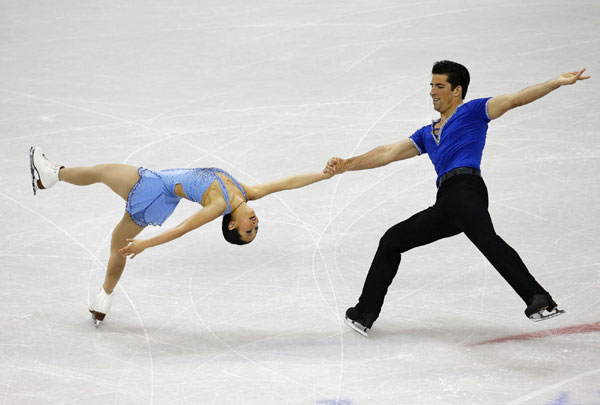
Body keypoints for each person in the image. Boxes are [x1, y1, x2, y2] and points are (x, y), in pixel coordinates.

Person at [324, 61, 590, 336]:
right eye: (431, 86)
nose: (432, 92)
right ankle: (364, 313)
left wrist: (555, 83)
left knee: (486, 239)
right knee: (392, 241)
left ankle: (538, 298)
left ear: (457, 90)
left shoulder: (473, 111)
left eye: (440, 86)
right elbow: (388, 152)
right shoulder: (427, 133)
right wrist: (348, 164)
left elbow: (513, 100)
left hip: (466, 189)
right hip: (447, 202)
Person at [29, 147, 332, 326]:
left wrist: (146, 243)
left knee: (101, 173)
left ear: (231, 225)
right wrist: (326, 174)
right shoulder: (243, 191)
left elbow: (182, 228)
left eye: (247, 230)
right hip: (157, 192)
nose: (254, 223)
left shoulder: (218, 205)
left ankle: (52, 174)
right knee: (114, 232)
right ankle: (103, 298)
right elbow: (288, 183)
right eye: (256, 228)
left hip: (151, 190)